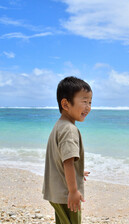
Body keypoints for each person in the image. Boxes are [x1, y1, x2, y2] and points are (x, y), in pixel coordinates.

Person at [42, 76, 92, 224]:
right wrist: (73, 191)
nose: (88, 107)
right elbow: (68, 162)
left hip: (56, 191)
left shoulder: (60, 125)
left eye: (90, 102)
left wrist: (78, 172)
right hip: (66, 194)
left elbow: (61, 158)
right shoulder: (69, 130)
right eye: (84, 102)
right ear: (65, 104)